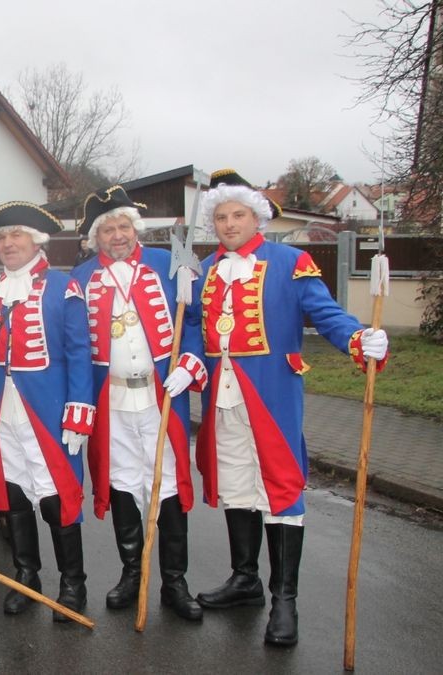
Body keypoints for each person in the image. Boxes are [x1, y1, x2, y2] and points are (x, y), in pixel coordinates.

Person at [190, 169, 389, 646]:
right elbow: (196, 326)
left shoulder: (290, 261)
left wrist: (359, 338)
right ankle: (245, 580)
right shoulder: (206, 271)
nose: (230, 224)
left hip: (272, 394)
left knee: (280, 486)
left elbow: (325, 312)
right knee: (236, 481)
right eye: (221, 217)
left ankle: (285, 600)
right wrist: (190, 361)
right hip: (221, 394)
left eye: (238, 215)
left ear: (255, 217)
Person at [70, 186, 205, 621]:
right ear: (96, 237)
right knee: (123, 483)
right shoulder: (83, 276)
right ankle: (133, 573)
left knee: (164, 483)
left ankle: (174, 582)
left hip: (160, 395)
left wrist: (189, 360)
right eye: (107, 229)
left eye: (123, 226)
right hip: (111, 400)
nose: (117, 235)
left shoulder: (170, 265)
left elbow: (197, 322)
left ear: (136, 228)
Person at [0, 201, 94, 620]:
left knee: (55, 497)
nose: (8, 243)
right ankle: (26, 577)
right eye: (2, 237)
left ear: (36, 241)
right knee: (13, 494)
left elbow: (78, 353)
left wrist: (78, 409)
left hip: (48, 408)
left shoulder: (63, 288)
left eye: (17, 235)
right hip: (2, 408)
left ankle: (73, 585)